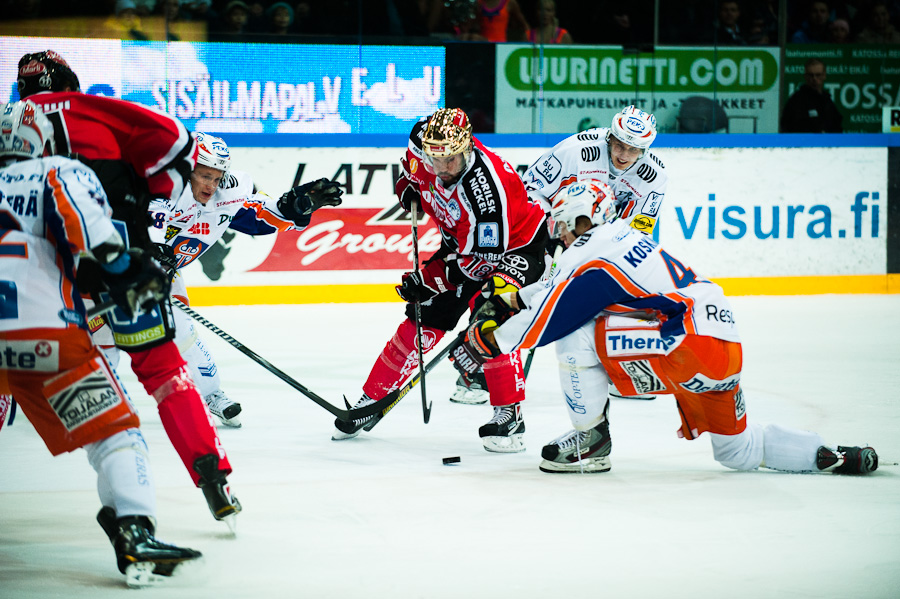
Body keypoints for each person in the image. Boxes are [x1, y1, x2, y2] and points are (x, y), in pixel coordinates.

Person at [455, 179, 879, 476]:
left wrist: (485, 342)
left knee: (576, 331)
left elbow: (552, 318)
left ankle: (592, 441)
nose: (560, 233)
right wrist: (511, 298)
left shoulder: (588, 249)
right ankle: (830, 455)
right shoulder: (618, 237)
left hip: (684, 344)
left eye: (564, 223)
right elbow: (558, 290)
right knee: (738, 450)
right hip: (722, 345)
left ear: (582, 219)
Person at [17, 50, 241, 528]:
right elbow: (175, 144)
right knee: (165, 374)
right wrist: (149, 205)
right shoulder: (90, 110)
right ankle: (213, 477)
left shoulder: (10, 123)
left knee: (104, 405)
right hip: (123, 274)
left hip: (47, 287)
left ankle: (129, 513)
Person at [0, 99, 202, 587]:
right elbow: (96, 243)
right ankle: (133, 529)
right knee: (115, 433)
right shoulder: (54, 172)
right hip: (41, 336)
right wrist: (132, 270)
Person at [333, 107, 547, 453]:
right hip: (461, 245)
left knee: (489, 318)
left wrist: (430, 279)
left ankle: (510, 414)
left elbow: (480, 264)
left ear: (468, 149)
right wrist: (407, 191)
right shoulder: (422, 145)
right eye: (435, 159)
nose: (443, 168)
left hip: (516, 249)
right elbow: (407, 173)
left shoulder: (487, 191)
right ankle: (371, 400)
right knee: (422, 317)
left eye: (451, 160)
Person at [148, 132, 342, 427]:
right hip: (112, 269)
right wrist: (148, 250)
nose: (211, 186)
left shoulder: (226, 193)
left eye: (217, 177)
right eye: (204, 176)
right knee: (98, 338)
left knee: (183, 330)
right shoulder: (161, 188)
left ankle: (212, 395)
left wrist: (297, 204)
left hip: (163, 276)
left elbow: (262, 218)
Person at [522, 105, 666, 401]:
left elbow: (638, 230)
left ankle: (624, 373)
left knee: (629, 294)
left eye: (634, 150)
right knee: (524, 289)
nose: (623, 155)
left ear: (646, 150)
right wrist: (552, 232)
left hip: (603, 244)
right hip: (553, 231)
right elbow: (531, 188)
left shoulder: (654, 177)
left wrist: (595, 250)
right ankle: (483, 374)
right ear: (610, 137)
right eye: (620, 145)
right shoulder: (576, 149)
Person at [780, 58, 844, 133]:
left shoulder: (827, 100)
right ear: (805, 76)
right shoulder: (796, 101)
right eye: (811, 75)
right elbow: (787, 129)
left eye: (818, 75)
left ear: (824, 76)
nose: (814, 78)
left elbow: (837, 127)